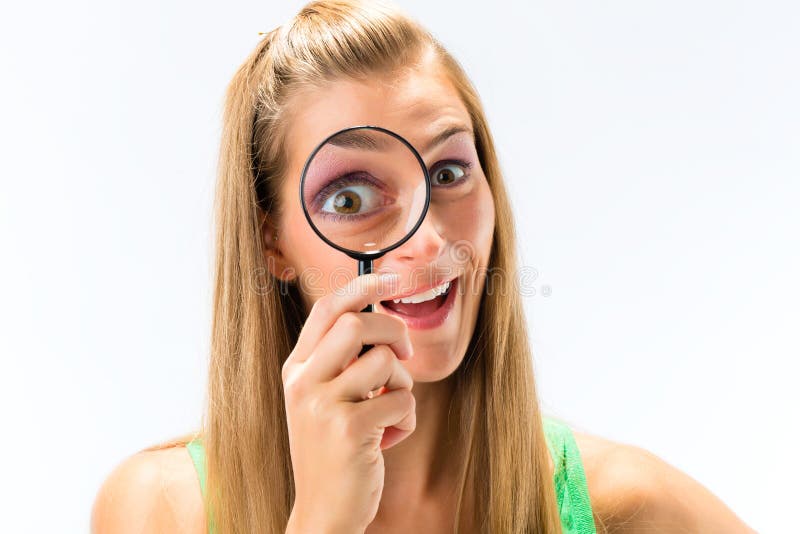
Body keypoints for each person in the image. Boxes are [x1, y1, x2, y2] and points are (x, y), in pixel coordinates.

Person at [91, 1, 757, 532]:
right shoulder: (163, 511)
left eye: (447, 171)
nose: (431, 241)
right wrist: (321, 522)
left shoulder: (631, 509)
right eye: (351, 196)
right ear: (273, 243)